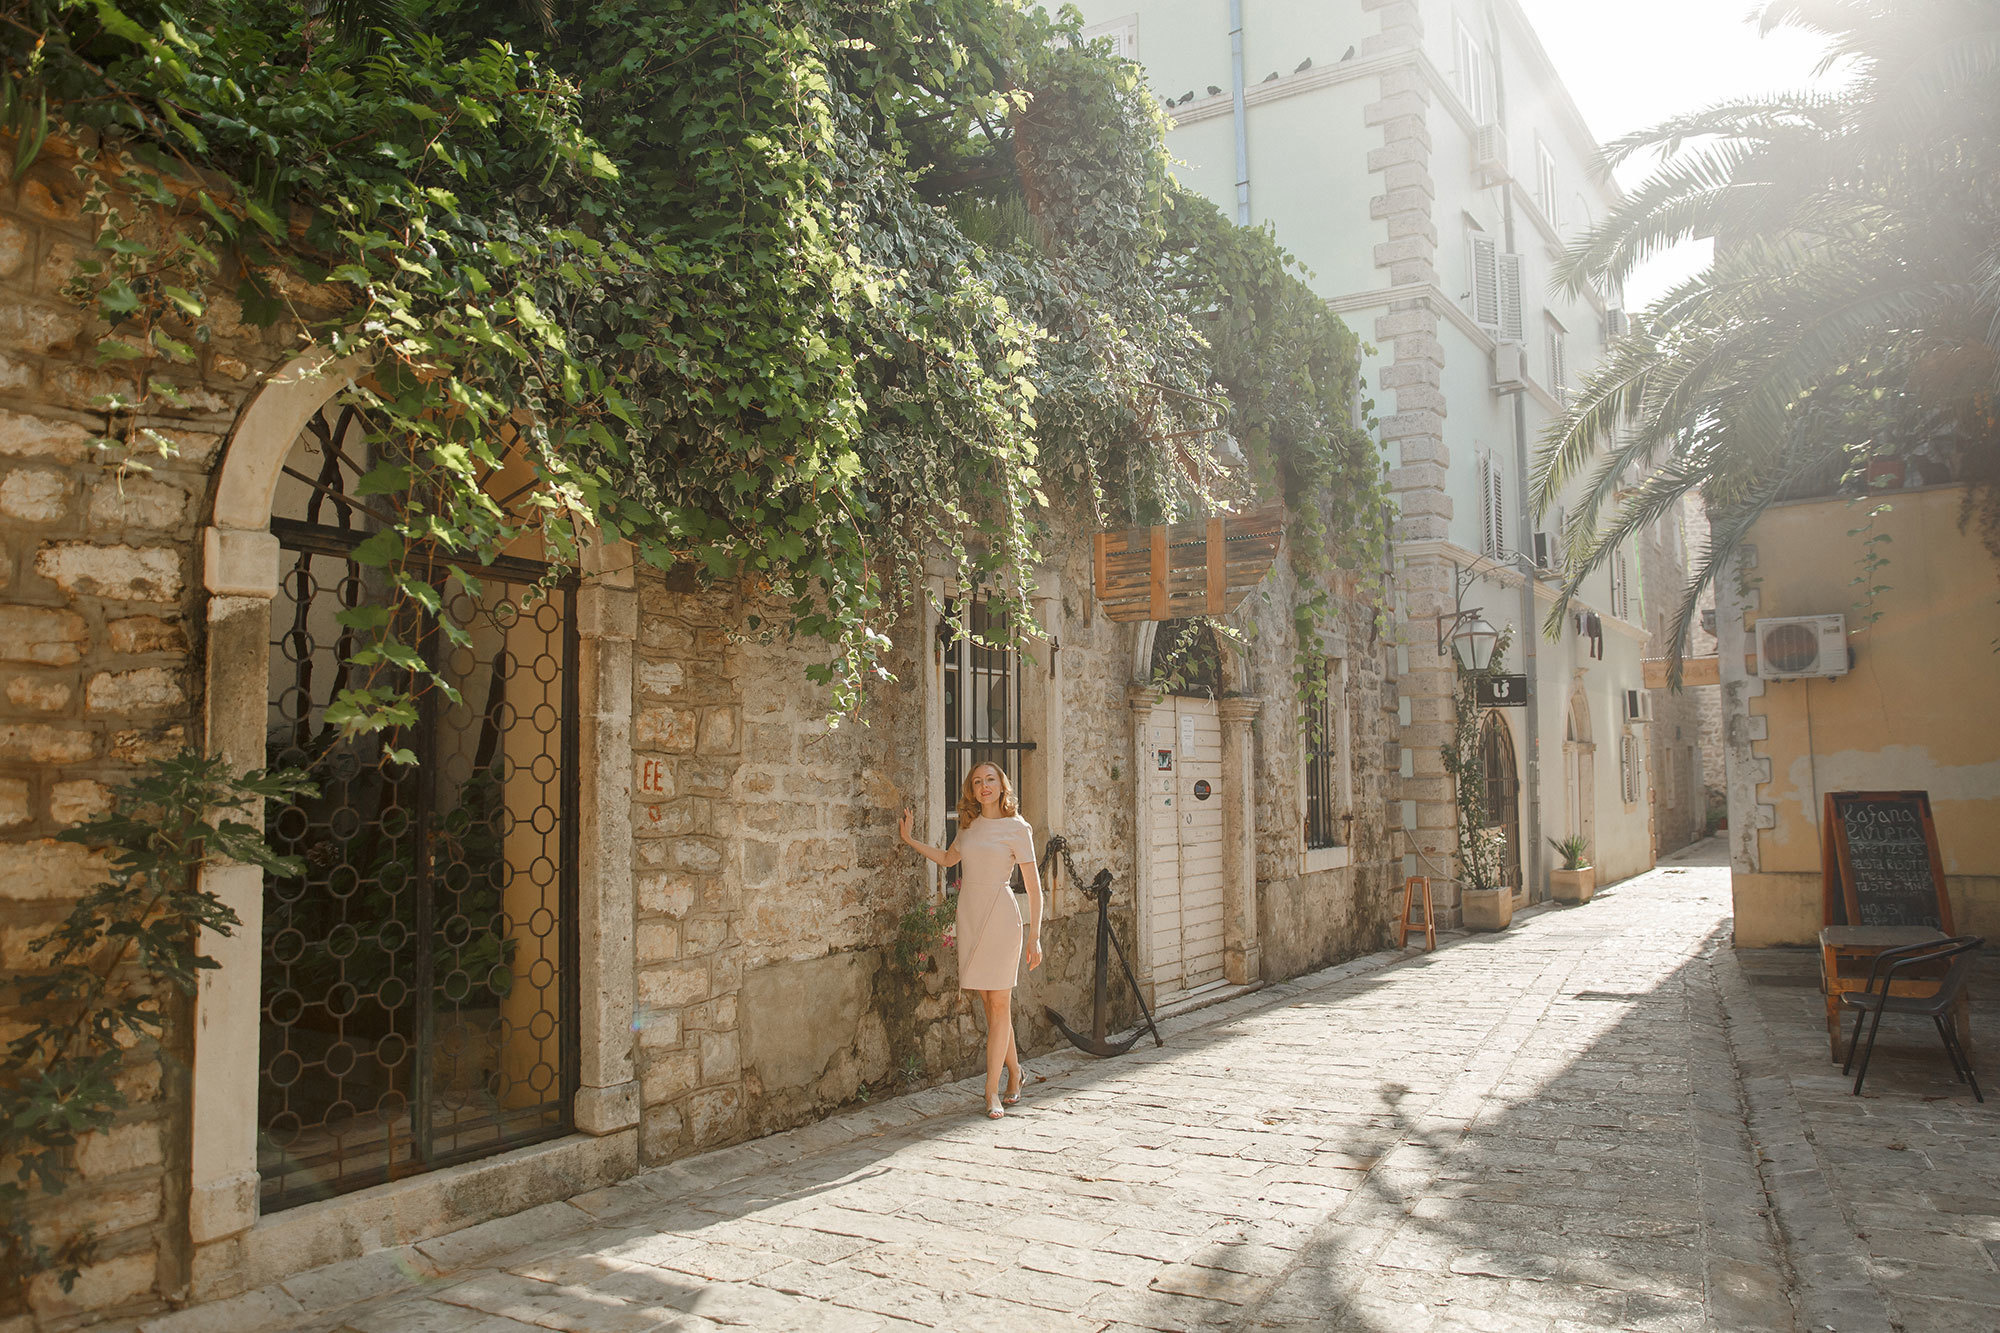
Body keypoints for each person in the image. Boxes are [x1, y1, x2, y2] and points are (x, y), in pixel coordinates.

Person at [899, 763, 1043, 1119]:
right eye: (977, 782)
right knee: (991, 1006)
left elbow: (1035, 887)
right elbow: (949, 859)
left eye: (990, 780)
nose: (984, 786)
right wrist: (909, 840)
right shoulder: (969, 826)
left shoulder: (1017, 828)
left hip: (1002, 917)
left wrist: (1035, 936)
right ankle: (1016, 1072)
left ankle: (990, 1091)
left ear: (1002, 785)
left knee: (998, 1006)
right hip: (971, 917)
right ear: (972, 790)